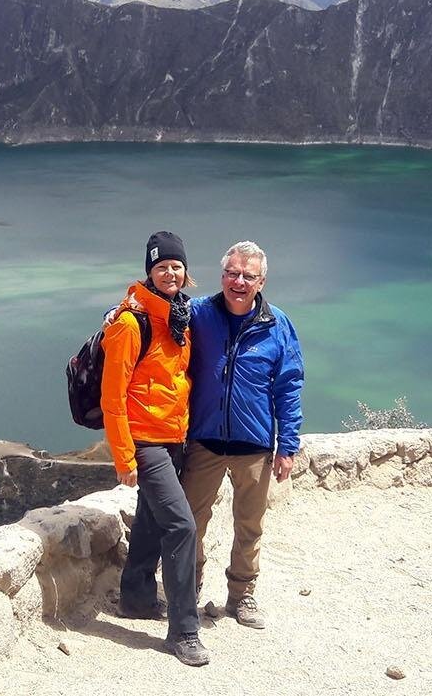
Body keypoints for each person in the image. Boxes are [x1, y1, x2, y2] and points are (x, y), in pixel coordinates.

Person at [181, 240, 304, 630]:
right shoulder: (199, 313)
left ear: (261, 281)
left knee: (249, 524)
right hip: (204, 439)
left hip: (253, 444)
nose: (238, 282)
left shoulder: (277, 325)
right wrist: (118, 313)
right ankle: (188, 590)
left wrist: (287, 445)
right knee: (191, 522)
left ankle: (241, 596)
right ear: (222, 276)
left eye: (248, 276)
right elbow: (152, 314)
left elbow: (289, 385)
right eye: (232, 273)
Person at [100, 231, 209, 667]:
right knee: (181, 526)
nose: (170, 273)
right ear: (149, 271)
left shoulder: (180, 316)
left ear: (185, 271)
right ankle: (184, 631)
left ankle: (137, 597)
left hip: (174, 436)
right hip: (146, 441)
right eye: (161, 266)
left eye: (176, 266)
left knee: (150, 517)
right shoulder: (131, 323)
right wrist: (124, 457)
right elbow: (112, 398)